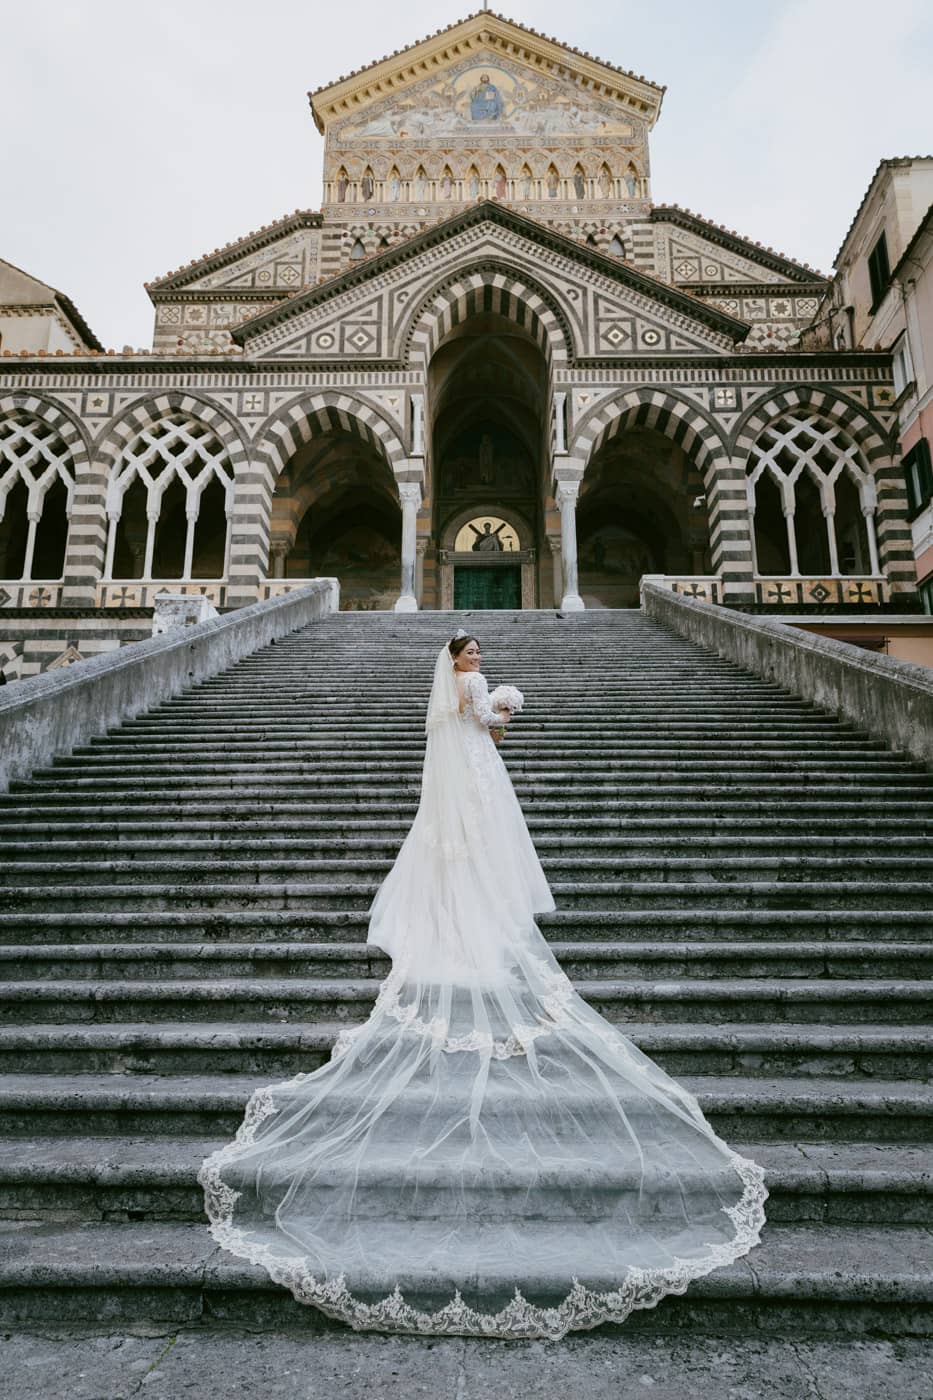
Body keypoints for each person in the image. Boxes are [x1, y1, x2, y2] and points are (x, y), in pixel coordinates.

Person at [200, 633, 766, 1339]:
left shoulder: (450, 687)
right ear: (459, 659)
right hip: (477, 766)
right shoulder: (468, 688)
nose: (474, 657)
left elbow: (466, 728)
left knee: (468, 841)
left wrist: (495, 708)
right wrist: (503, 708)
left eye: (475, 653)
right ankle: (477, 915)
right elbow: (486, 727)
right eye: (469, 652)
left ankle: (465, 913)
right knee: (484, 838)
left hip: (463, 770)